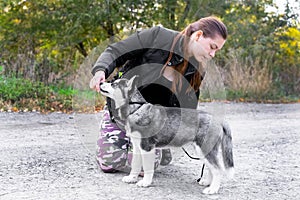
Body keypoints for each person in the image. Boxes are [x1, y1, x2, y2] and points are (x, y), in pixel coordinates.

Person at [90, 16, 227, 173]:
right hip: (123, 111)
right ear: (198, 36)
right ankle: (125, 142)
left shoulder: (198, 68)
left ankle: (161, 148)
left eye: (217, 50)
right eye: (212, 46)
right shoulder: (157, 36)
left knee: (146, 166)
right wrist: (101, 70)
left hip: (156, 124)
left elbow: (187, 108)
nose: (212, 54)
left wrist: (181, 134)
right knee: (110, 162)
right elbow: (116, 50)